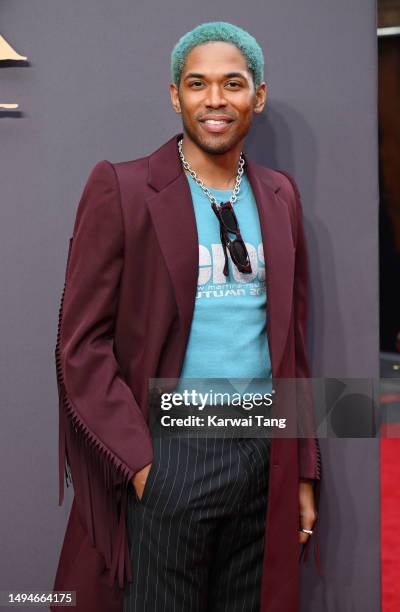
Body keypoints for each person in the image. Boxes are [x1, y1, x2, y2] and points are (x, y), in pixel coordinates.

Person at [52, 21, 321, 612]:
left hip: (262, 453)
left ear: (259, 96)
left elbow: (291, 345)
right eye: (198, 84)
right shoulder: (122, 188)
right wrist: (143, 465)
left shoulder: (280, 195)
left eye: (233, 83)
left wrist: (301, 470)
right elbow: (81, 345)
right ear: (175, 95)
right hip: (170, 448)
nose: (216, 100)